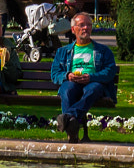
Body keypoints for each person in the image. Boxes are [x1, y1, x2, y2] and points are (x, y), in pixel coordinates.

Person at [48, 13, 118, 143]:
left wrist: (91, 77)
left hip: (93, 83)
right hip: (72, 83)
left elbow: (110, 71)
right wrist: (67, 75)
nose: (85, 28)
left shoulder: (103, 50)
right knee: (67, 89)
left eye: (88, 25)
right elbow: (55, 74)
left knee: (93, 89)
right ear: (73, 29)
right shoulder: (63, 52)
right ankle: (72, 128)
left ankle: (68, 117)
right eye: (81, 25)